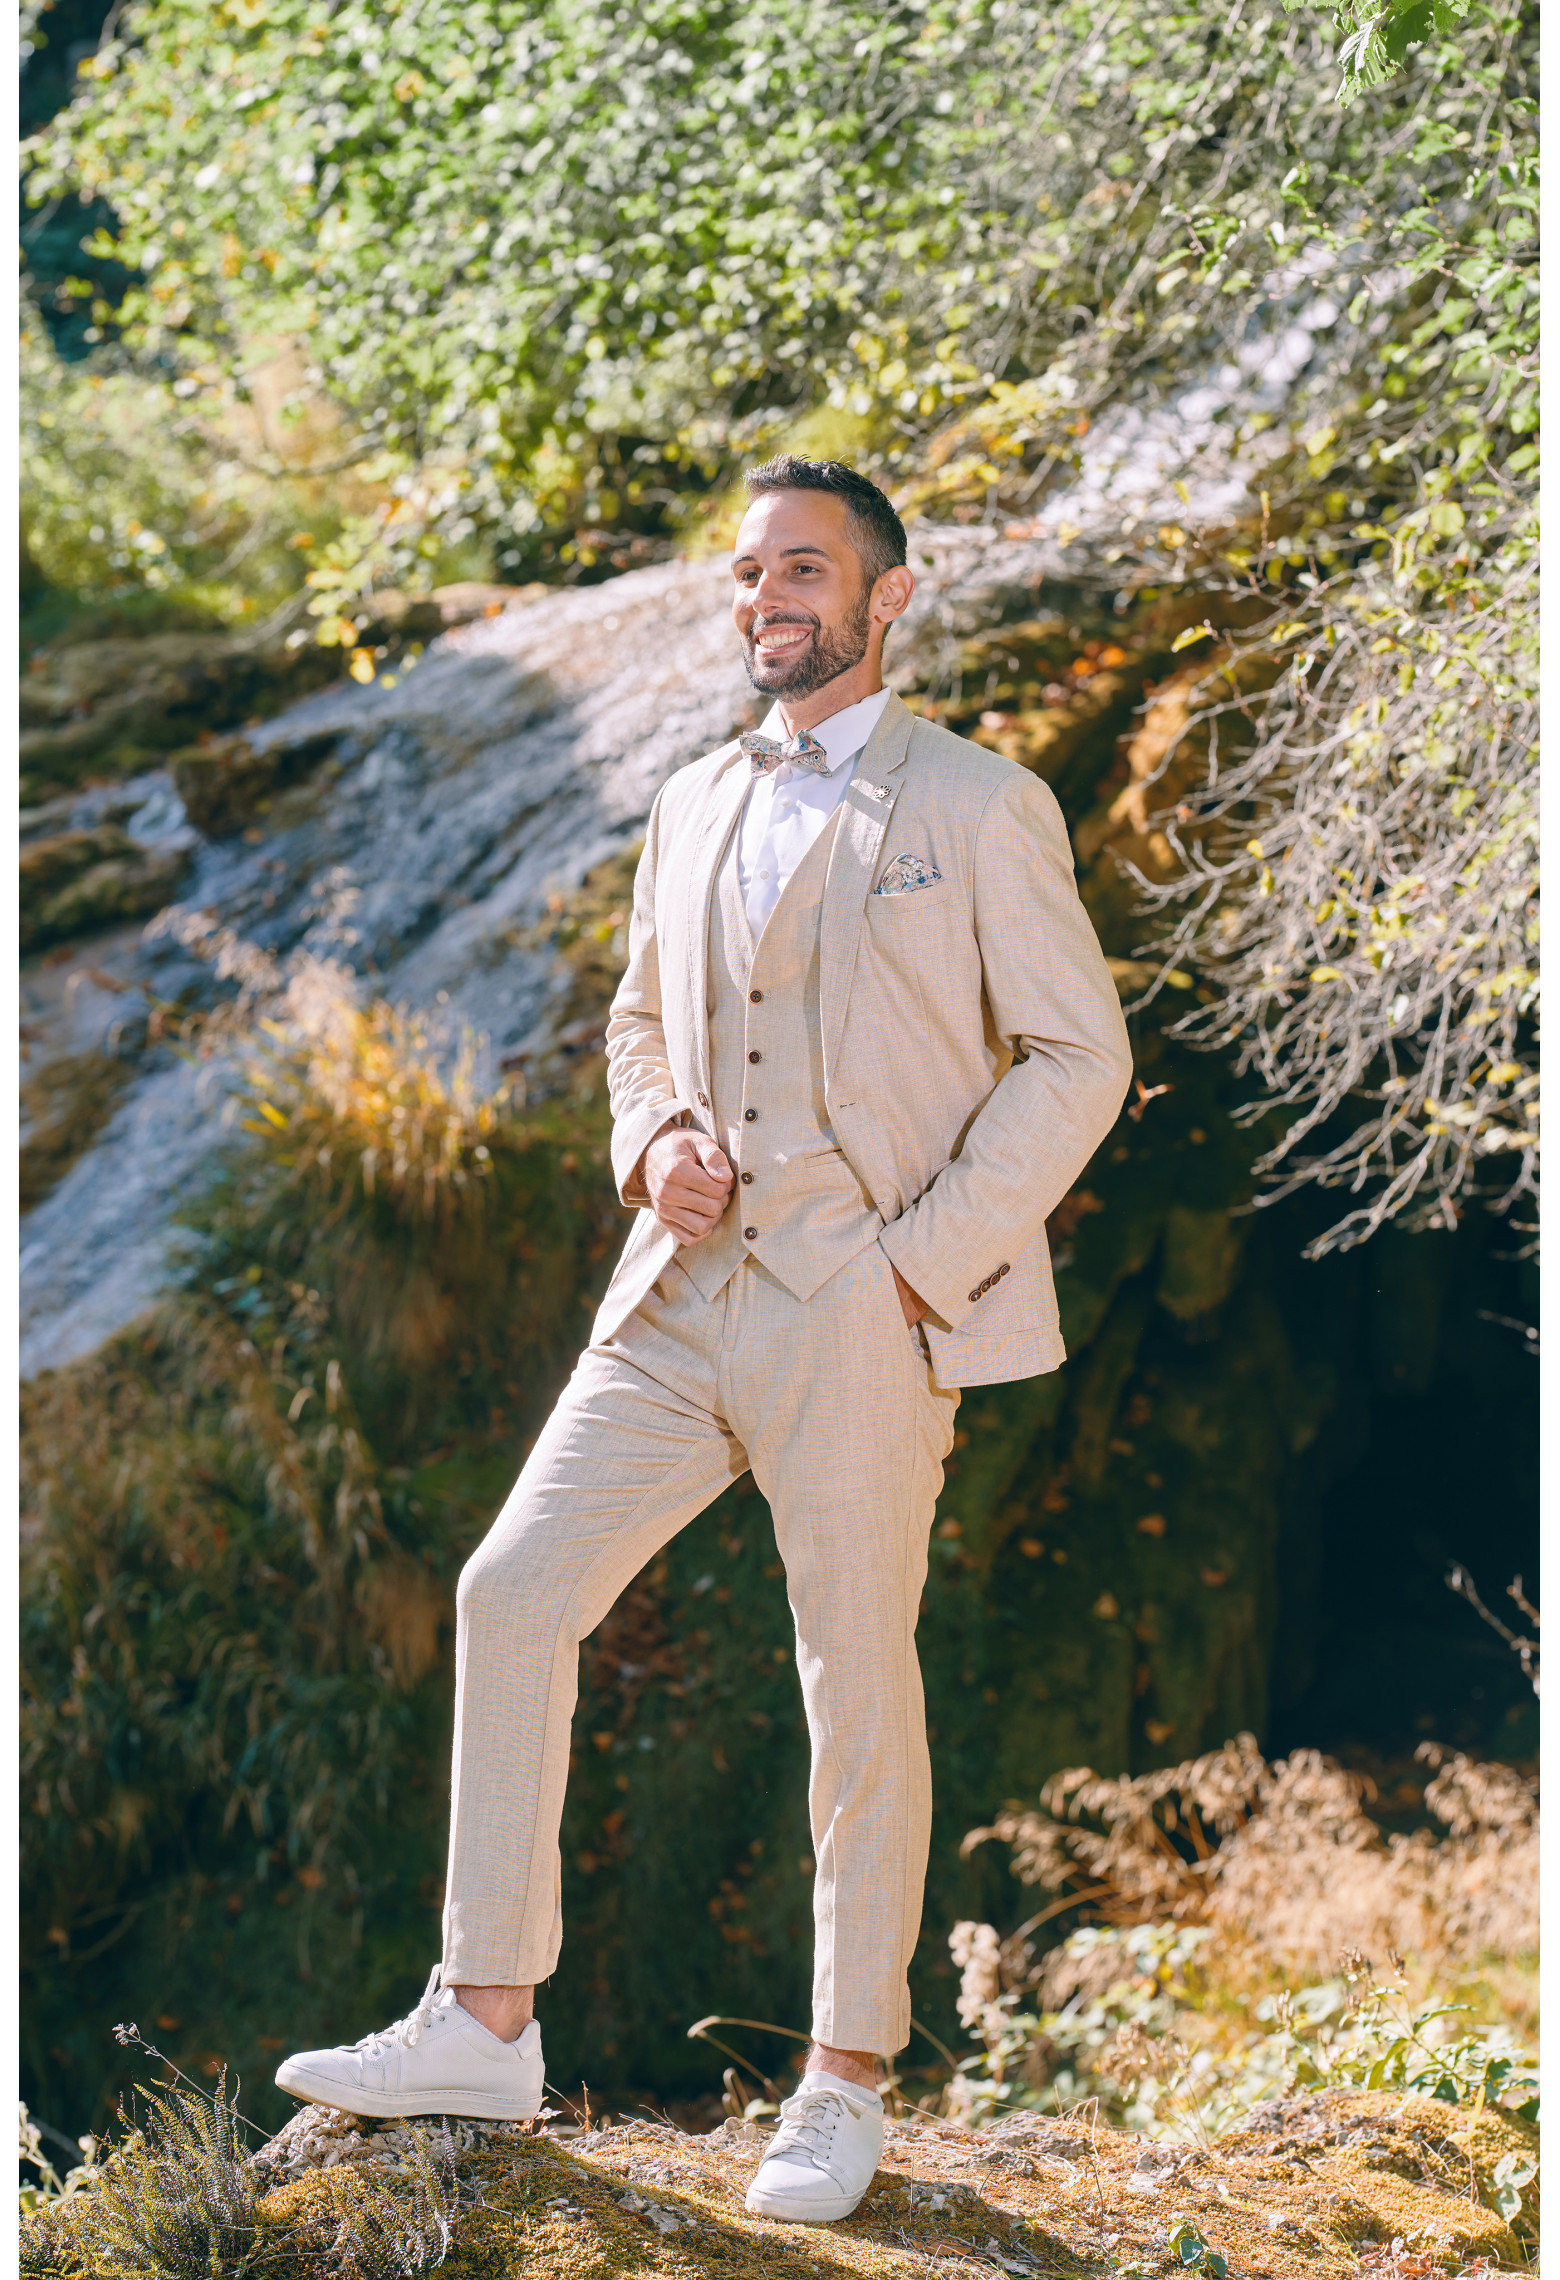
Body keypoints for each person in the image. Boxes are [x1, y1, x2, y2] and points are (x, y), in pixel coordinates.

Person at [276, 456, 1132, 2223]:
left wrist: (923, 1267)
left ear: (891, 597)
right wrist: (649, 1137)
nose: (767, 602)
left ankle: (841, 2080)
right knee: (512, 1590)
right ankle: (488, 2020)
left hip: (863, 1301)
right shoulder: (687, 800)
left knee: (851, 1683)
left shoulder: (980, 806)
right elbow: (638, 1020)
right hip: (676, 1297)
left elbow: (1080, 1060)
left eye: (804, 572)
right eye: (747, 576)